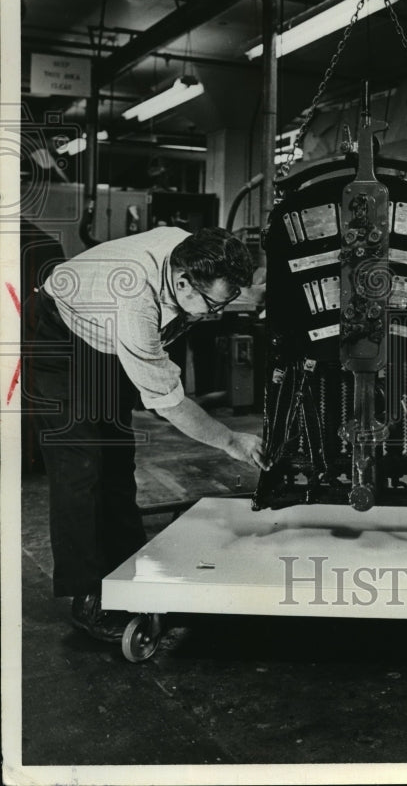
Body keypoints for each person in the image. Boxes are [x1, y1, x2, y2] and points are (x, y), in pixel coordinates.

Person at [24, 226, 268, 643]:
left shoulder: (195, 252)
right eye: (212, 305)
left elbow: (210, 298)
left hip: (101, 331)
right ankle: (89, 598)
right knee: (81, 464)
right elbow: (168, 402)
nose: (213, 314)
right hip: (58, 335)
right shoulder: (135, 303)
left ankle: (129, 569)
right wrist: (232, 440)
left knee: (117, 457)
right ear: (181, 282)